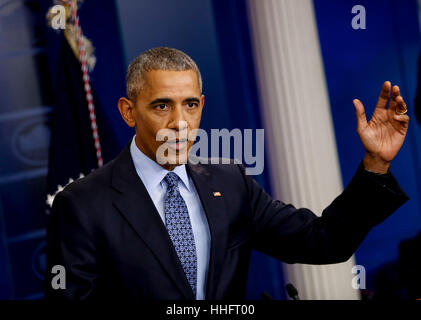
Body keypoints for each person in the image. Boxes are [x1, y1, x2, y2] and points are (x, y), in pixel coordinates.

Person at [45, 47, 410, 300]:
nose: (180, 123)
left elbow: (324, 240)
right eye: (161, 106)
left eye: (190, 105)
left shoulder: (229, 183)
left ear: (201, 105)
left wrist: (375, 164)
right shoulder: (81, 204)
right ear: (128, 112)